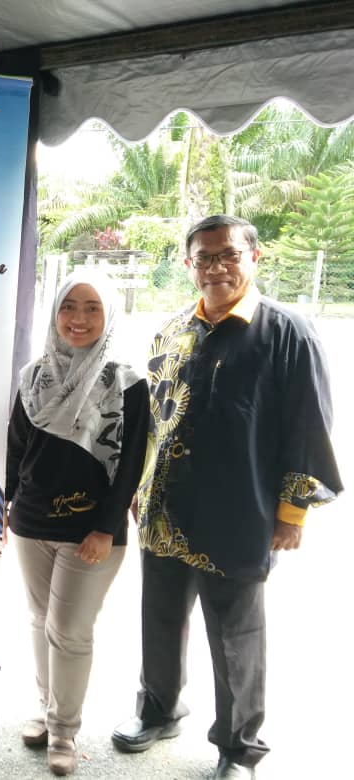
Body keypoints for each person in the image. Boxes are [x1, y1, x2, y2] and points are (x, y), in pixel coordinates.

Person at [111, 215, 342, 780]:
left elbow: (309, 427)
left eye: (228, 255)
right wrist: (140, 487)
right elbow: (153, 421)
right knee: (160, 618)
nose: (216, 267)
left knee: (236, 635)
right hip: (165, 509)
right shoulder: (171, 330)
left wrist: (292, 513)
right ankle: (159, 711)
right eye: (204, 257)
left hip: (240, 511)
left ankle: (238, 747)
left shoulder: (287, 332)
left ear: (253, 258)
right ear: (187, 264)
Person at [5, 270, 149, 776]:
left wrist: (107, 528)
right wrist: (5, 503)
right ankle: (47, 710)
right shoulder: (33, 375)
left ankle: (64, 729)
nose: (79, 318)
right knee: (40, 619)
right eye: (69, 306)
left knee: (69, 630)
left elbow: (131, 463)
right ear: (55, 313)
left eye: (92, 307)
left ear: (109, 314)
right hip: (31, 522)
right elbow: (16, 447)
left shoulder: (126, 382)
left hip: (91, 530)